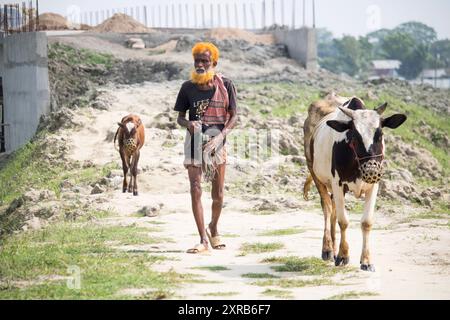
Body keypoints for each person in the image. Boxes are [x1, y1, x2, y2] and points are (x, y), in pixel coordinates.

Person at [174, 42, 238, 254]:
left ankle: (213, 227)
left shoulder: (226, 85)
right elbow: (180, 118)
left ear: (214, 63)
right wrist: (189, 124)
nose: (200, 64)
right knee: (195, 189)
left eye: (205, 61)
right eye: (197, 61)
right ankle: (203, 239)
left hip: (217, 142)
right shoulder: (187, 87)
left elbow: (234, 117)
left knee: (218, 194)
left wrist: (220, 137)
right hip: (193, 141)